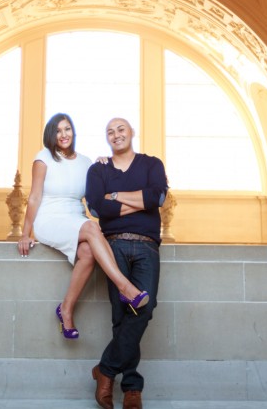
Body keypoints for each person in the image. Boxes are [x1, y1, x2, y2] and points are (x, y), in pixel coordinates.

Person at [17, 113, 150, 341]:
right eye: (58, 131)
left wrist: (103, 167)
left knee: (87, 251)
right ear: (51, 134)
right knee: (91, 228)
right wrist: (25, 232)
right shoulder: (43, 158)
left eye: (67, 129)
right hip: (50, 218)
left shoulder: (86, 162)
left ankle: (66, 309)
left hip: (75, 217)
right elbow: (34, 196)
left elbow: (96, 198)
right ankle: (125, 288)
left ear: (73, 132)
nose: (63, 134)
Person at [84, 117, 167, 409]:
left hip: (147, 246)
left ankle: (105, 370)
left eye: (121, 129)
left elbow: (157, 197)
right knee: (122, 316)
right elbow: (96, 206)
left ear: (132, 133)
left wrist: (116, 196)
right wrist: (138, 201)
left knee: (144, 307)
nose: (116, 135)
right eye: (110, 131)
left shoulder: (151, 164)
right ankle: (132, 388)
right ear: (106, 138)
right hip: (114, 245)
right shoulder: (98, 169)